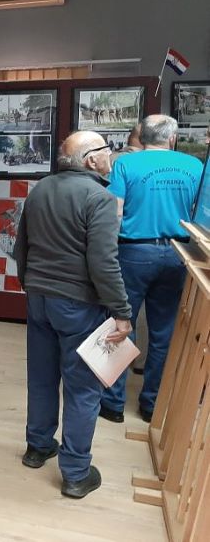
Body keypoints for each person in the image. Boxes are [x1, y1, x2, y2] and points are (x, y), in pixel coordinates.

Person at [13, 130, 132, 499]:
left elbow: (21, 247)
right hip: (79, 304)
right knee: (83, 388)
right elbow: (104, 263)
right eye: (107, 150)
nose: (111, 155)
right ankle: (76, 473)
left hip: (39, 298)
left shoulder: (40, 190)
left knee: (42, 377)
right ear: (91, 160)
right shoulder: (100, 198)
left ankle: (37, 447)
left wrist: (29, 285)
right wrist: (122, 311)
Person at [100, 114, 202, 424]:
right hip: (178, 253)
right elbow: (200, 212)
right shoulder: (195, 166)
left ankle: (113, 404)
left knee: (120, 324)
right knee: (163, 331)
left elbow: (115, 213)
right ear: (172, 138)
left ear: (142, 136)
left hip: (133, 252)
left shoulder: (125, 164)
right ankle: (151, 404)